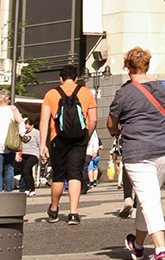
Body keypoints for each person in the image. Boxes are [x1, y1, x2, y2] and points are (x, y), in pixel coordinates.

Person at [109, 46, 165, 260]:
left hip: (137, 153)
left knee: (150, 200)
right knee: (149, 199)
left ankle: (160, 250)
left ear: (128, 68)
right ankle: (136, 245)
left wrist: (115, 130)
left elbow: (111, 123)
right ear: (147, 66)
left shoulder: (123, 93)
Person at [40, 63, 99, 224]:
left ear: (60, 78)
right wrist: (87, 136)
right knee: (75, 174)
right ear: (76, 78)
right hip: (79, 138)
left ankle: (53, 209)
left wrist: (42, 144)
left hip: (57, 138)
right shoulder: (86, 93)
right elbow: (93, 119)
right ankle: (73, 213)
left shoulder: (51, 94)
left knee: (58, 175)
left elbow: (44, 120)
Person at [0, 90, 21, 193]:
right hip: (10, 142)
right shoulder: (12, 109)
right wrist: (22, 134)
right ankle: (9, 191)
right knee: (9, 168)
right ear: (6, 99)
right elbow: (20, 122)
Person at [17, 114, 42, 195]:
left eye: (28, 128)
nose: (27, 130)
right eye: (25, 128)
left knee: (26, 170)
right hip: (24, 153)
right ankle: (32, 189)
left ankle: (28, 188)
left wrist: (42, 154)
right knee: (28, 172)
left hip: (33, 154)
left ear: (32, 125)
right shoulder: (22, 133)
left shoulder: (36, 133)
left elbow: (39, 143)